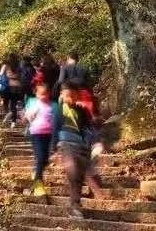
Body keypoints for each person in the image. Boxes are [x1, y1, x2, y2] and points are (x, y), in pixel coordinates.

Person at [51, 80, 92, 218]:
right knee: (73, 172)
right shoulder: (57, 109)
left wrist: (89, 143)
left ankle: (75, 205)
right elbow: (54, 129)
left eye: (75, 96)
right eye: (68, 95)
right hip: (65, 144)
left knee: (79, 176)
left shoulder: (81, 110)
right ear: (61, 94)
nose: (72, 99)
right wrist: (53, 148)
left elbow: (87, 128)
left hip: (80, 146)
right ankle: (74, 206)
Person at [24, 83, 57, 197]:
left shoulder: (53, 105)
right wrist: (30, 114)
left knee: (45, 160)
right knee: (40, 158)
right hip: (36, 133)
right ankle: (38, 184)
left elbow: (57, 119)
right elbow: (27, 116)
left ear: (49, 93)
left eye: (45, 94)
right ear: (37, 94)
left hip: (48, 135)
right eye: (40, 94)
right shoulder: (34, 104)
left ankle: (35, 172)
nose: (43, 96)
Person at [0, 53, 24, 127]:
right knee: (13, 104)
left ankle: (8, 115)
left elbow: (0, 75)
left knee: (5, 102)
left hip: (8, 87)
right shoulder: (19, 66)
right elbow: (21, 75)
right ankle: (13, 121)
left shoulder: (6, 66)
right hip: (18, 87)